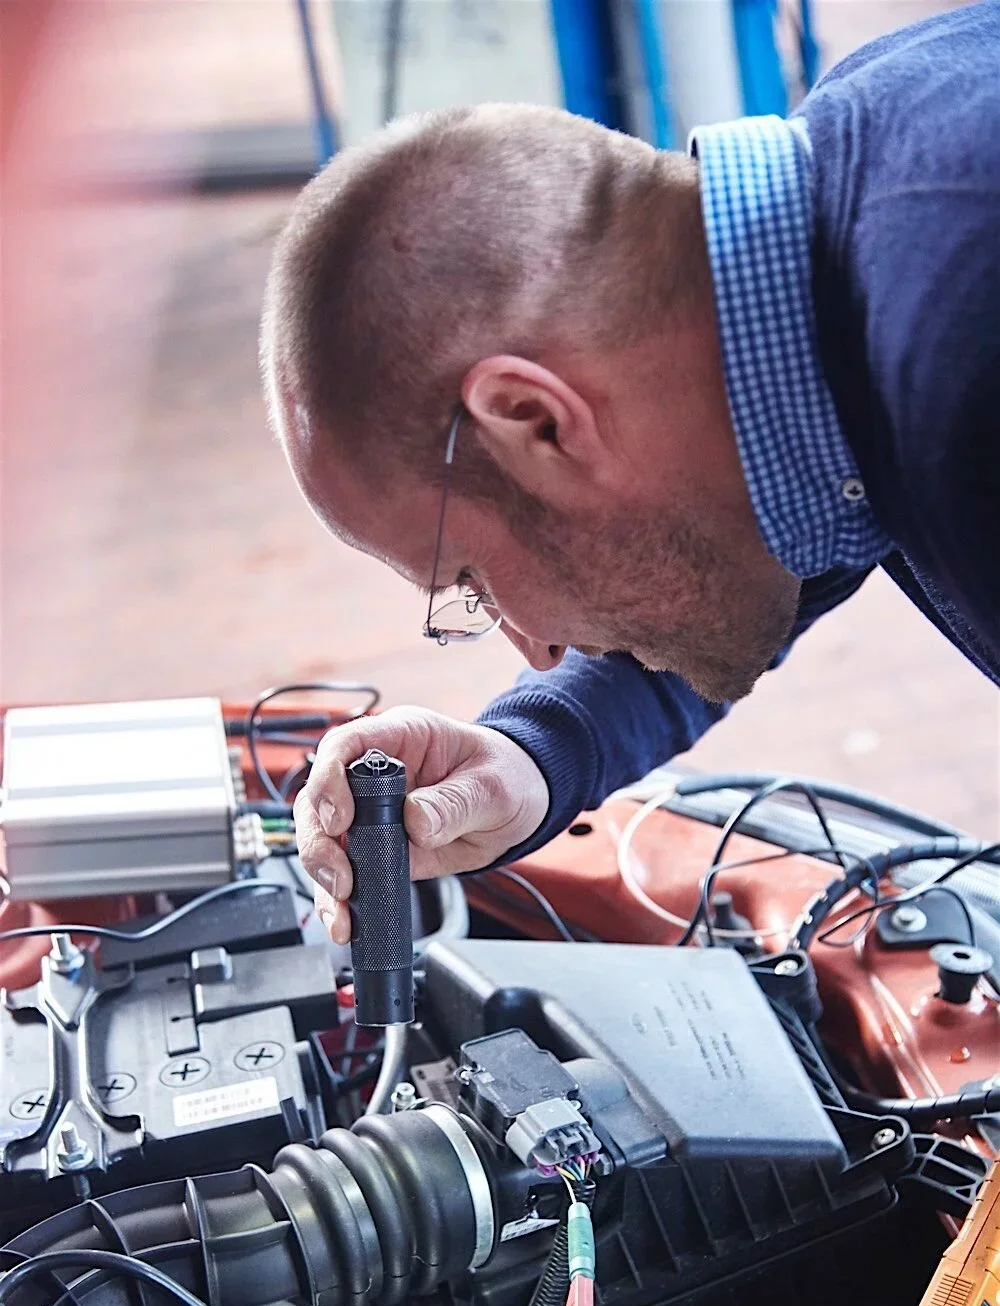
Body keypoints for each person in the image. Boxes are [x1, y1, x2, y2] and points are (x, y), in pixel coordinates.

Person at [260, 2, 1000, 945]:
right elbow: (762, 534)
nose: (536, 651)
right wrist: (533, 755)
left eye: (473, 581)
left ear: (537, 421)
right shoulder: (857, 220)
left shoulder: (968, 364)